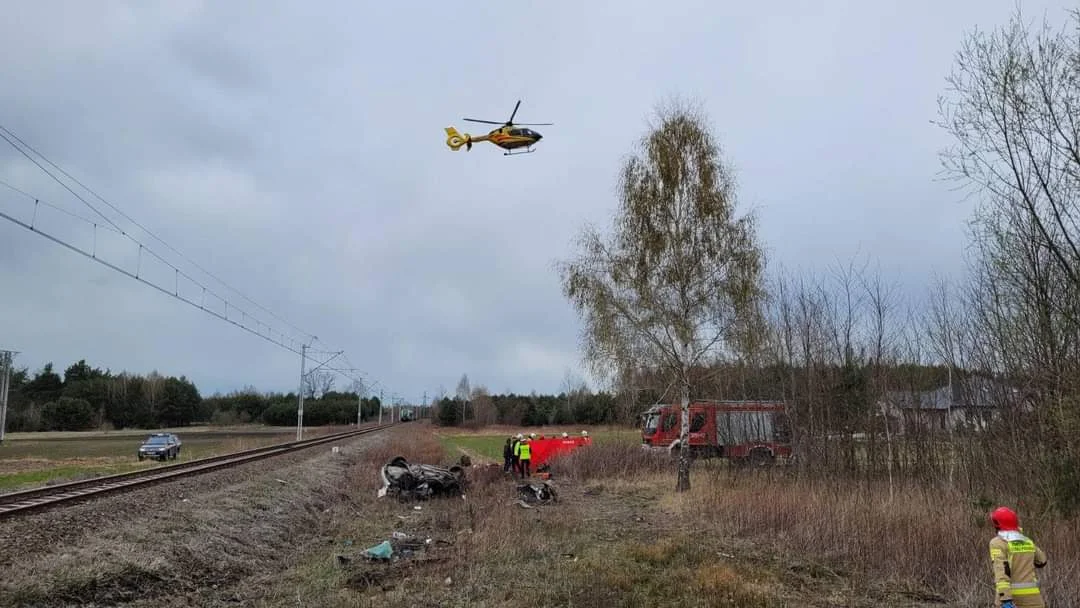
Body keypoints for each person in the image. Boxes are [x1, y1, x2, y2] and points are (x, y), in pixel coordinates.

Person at [989, 506, 1047, 608]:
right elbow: (1042, 561)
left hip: (1009, 597)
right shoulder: (1027, 541)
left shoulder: (997, 543)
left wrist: (1005, 599)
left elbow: (1001, 571)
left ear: (997, 525)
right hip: (1032, 598)